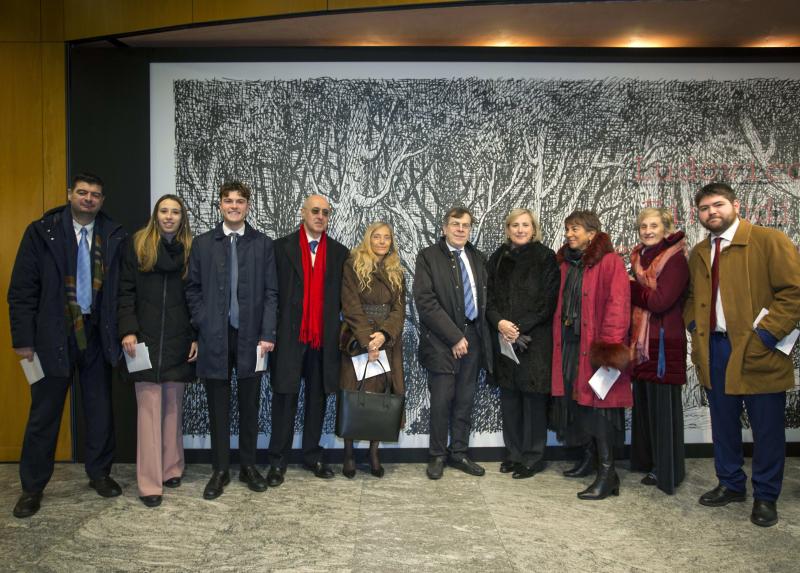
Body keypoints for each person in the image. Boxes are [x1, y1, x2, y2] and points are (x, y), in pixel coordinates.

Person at [8, 172, 126, 518]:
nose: (89, 199)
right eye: (83, 193)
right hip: (52, 336)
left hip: (97, 333)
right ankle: (32, 488)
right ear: (69, 194)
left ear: (102, 201)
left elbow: (122, 290)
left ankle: (99, 474)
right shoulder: (41, 232)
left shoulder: (114, 234)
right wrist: (23, 340)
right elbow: (22, 291)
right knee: (44, 414)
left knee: (99, 409)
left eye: (95, 195)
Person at [685, 182, 800, 527]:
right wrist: (693, 325)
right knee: (723, 423)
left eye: (718, 205)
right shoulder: (699, 252)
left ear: (736, 205)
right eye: (704, 209)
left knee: (766, 429)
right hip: (714, 348)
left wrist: (766, 334)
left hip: (757, 348)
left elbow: (793, 292)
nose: (712, 213)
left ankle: (766, 496)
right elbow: (691, 297)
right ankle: (731, 483)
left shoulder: (768, 241)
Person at [185, 181, 278, 500]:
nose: (234, 206)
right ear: (220, 205)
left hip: (252, 337)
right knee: (218, 407)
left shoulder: (263, 244)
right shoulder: (203, 244)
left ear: (248, 206)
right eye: (228, 201)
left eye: (240, 201)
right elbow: (193, 289)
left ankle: (249, 466)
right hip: (215, 336)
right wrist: (203, 321)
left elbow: (270, 293)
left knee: (250, 405)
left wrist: (267, 333)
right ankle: (220, 469)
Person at [117, 194, 198, 507]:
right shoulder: (137, 246)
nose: (169, 216)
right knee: (149, 412)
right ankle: (150, 482)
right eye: (164, 211)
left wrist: (195, 337)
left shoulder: (191, 250)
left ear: (182, 218)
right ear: (156, 215)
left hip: (179, 341)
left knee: (173, 409)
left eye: (175, 212)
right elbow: (124, 290)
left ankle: (171, 468)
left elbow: (195, 298)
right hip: (144, 341)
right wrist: (128, 330)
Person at [267, 195, 349, 485]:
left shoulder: (340, 253)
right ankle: (277, 461)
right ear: (303, 213)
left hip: (323, 341)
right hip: (289, 339)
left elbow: (345, 300)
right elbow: (271, 295)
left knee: (317, 400)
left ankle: (313, 455)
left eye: (325, 213)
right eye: (315, 211)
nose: (320, 216)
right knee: (284, 399)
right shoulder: (280, 248)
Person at [550, 210, 631, 500]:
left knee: (601, 411)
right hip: (572, 347)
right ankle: (589, 458)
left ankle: (607, 473)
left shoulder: (610, 262)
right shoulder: (566, 264)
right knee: (581, 407)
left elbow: (618, 306)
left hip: (596, 351)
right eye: (568, 229)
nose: (570, 234)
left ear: (592, 234)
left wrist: (608, 351)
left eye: (576, 229)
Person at [413, 206, 493, 480]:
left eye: (466, 225)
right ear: (444, 227)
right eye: (455, 224)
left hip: (474, 339)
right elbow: (425, 302)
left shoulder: (478, 258)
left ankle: (459, 452)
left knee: (465, 399)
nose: (461, 229)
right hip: (441, 340)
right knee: (442, 400)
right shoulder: (428, 257)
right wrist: (454, 337)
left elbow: (484, 301)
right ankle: (437, 455)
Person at [486, 208, 559, 479]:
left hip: (534, 341)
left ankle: (533, 457)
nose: (520, 229)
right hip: (504, 338)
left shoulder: (545, 257)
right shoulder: (497, 258)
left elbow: (548, 303)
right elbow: (488, 299)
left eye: (525, 225)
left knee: (533, 401)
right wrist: (500, 323)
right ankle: (513, 454)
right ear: (508, 229)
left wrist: (518, 328)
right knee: (510, 400)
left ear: (533, 228)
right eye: (515, 225)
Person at [628, 207, 689, 495]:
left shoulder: (675, 259)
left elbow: (660, 301)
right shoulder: (639, 258)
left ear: (666, 228)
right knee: (646, 408)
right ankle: (649, 462)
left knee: (664, 410)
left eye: (654, 225)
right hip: (642, 344)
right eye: (643, 226)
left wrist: (632, 289)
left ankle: (668, 470)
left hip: (664, 343)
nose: (648, 230)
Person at [339, 222, 406, 478]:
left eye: (386, 238)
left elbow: (400, 310)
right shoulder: (352, 265)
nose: (381, 241)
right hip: (357, 339)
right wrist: (368, 340)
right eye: (376, 237)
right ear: (368, 239)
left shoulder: (396, 270)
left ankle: (374, 453)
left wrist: (384, 335)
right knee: (354, 392)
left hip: (388, 340)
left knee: (382, 396)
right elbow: (350, 305)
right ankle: (348, 454)